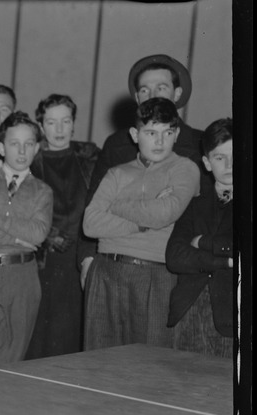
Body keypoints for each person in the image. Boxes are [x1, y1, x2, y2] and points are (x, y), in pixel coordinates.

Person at [78, 54, 204, 291]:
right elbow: (91, 210)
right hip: (112, 260)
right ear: (137, 98)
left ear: (177, 94)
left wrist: (116, 205)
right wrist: (86, 259)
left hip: (166, 265)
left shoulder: (199, 145)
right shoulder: (117, 144)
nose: (153, 94)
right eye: (145, 90)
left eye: (162, 87)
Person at [82, 98, 200, 349]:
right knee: (98, 363)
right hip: (106, 272)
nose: (159, 141)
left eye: (167, 132)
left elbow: (163, 213)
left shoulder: (184, 168)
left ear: (176, 134)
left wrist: (117, 206)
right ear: (135, 134)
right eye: (151, 132)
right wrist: (141, 224)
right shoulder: (117, 173)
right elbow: (90, 224)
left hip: (155, 276)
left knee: (150, 365)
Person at [0, 111, 53, 367]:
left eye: (29, 144)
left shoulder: (42, 191)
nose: (22, 150)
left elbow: (39, 233)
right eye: (15, 143)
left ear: (37, 147)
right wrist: (18, 238)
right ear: (0, 147)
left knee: (14, 360)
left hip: (23, 278)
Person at [25, 94, 100, 359]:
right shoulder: (30, 161)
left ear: (73, 124)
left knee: (72, 334)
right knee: (40, 335)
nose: (59, 129)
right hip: (44, 259)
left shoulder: (90, 157)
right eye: (51, 122)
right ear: (41, 125)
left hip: (81, 257)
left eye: (65, 121)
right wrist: (49, 237)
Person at [165, 118, 234, 358]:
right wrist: (224, 261)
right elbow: (175, 257)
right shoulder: (194, 203)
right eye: (219, 158)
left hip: (233, 319)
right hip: (188, 311)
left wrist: (203, 242)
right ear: (206, 162)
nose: (229, 164)